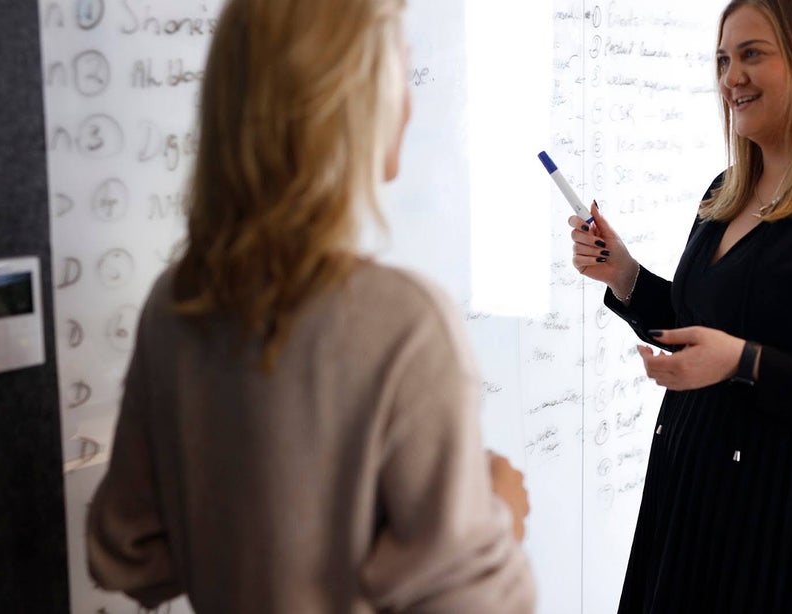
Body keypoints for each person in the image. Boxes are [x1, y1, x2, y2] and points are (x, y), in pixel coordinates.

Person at [86, 0, 536, 612]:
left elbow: (129, 551)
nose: (409, 101)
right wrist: (502, 510)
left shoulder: (174, 305)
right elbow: (476, 603)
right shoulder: (404, 323)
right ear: (352, 100)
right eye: (401, 69)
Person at [568, 0, 792, 612]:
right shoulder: (725, 192)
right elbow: (698, 329)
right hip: (698, 504)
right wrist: (624, 277)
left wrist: (748, 363)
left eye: (753, 54)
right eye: (724, 59)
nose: (731, 77)